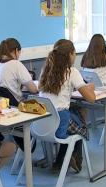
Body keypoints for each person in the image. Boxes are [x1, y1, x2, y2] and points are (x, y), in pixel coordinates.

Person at [39, 39, 96, 172]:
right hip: (59, 124)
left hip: (43, 123)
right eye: (75, 53)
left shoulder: (45, 70)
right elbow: (91, 99)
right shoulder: (72, 72)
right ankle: (72, 159)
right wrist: (90, 88)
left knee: (75, 111)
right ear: (70, 54)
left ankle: (62, 161)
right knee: (82, 125)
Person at [0, 38, 38, 102]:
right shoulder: (16, 64)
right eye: (19, 53)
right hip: (15, 104)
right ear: (16, 50)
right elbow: (33, 90)